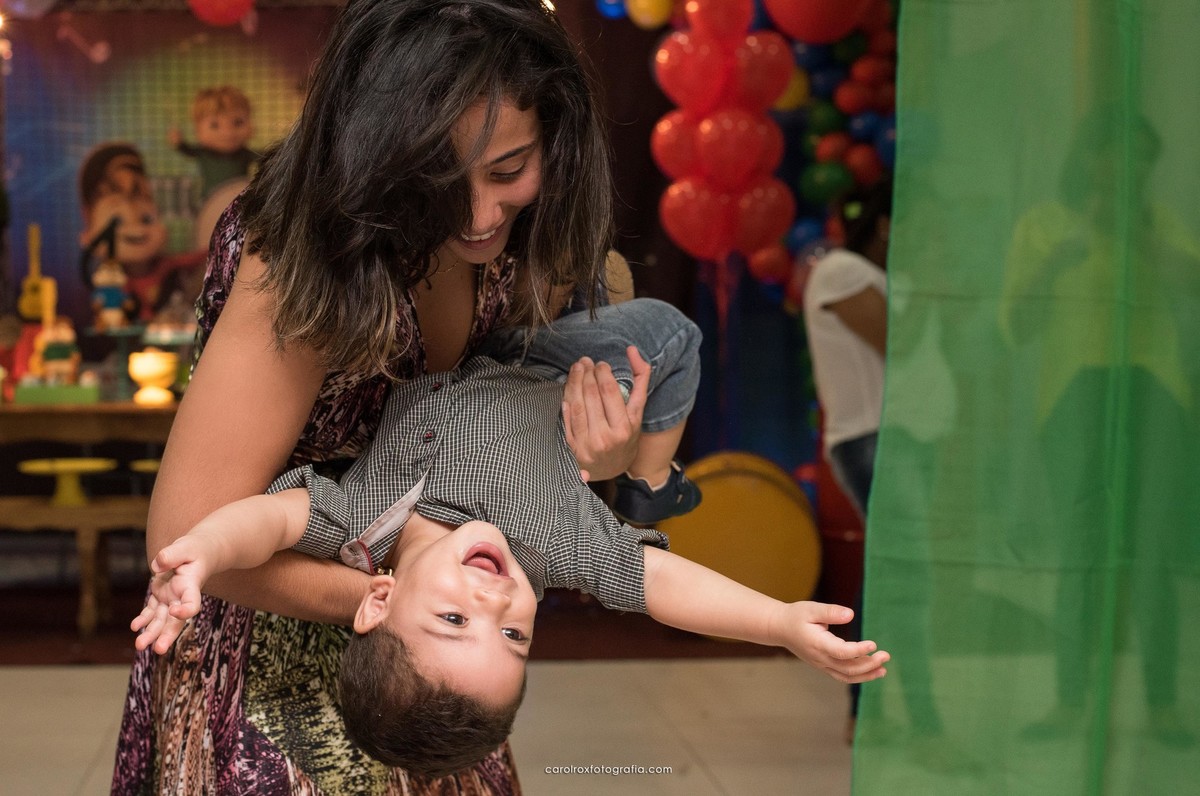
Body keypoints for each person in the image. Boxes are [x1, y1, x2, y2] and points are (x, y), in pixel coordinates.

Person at [111, 0, 634, 792]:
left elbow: (607, 318)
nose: (480, 213)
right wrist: (402, 602)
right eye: (436, 181)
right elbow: (187, 532)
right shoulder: (303, 258)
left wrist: (615, 455)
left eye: (508, 170)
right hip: (270, 661)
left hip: (436, 654)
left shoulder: (536, 239)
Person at [132, 346, 891, 778]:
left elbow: (265, 521)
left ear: (377, 597)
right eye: (516, 637)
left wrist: (203, 551)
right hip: (579, 349)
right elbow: (662, 585)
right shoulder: (557, 549)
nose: (497, 606)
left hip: (494, 339)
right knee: (667, 342)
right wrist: (780, 623)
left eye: (455, 619)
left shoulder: (362, 529)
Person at [803, 179, 946, 750]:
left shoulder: (881, 277)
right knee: (902, 579)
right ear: (888, 224)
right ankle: (911, 721)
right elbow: (901, 344)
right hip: (874, 440)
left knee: (895, 574)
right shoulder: (842, 270)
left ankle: (873, 713)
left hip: (905, 441)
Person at [168, 85, 259, 200]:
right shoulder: (203, 153)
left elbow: (264, 156)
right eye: (215, 125)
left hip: (239, 200)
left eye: (238, 123)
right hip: (211, 202)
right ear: (197, 129)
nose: (227, 132)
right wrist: (178, 143)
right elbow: (186, 149)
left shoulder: (244, 154)